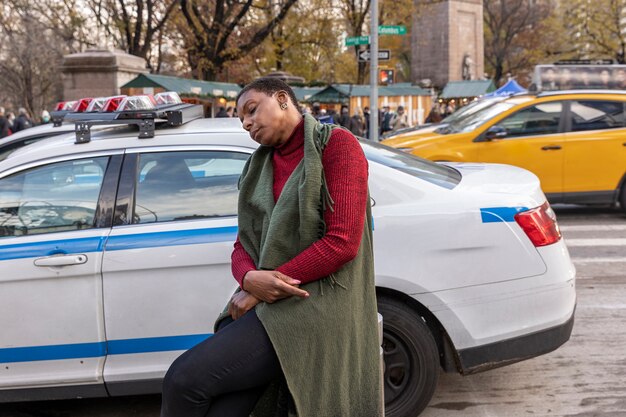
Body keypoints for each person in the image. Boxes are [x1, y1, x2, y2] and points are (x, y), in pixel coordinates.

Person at [160, 78, 382, 417]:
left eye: (251, 110)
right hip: (271, 305)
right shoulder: (258, 166)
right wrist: (249, 279)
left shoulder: (336, 145)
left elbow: (342, 243)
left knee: (183, 380)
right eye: (242, 120)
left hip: (316, 304)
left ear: (282, 100)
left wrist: (265, 287)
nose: (247, 123)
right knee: (224, 410)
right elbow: (243, 243)